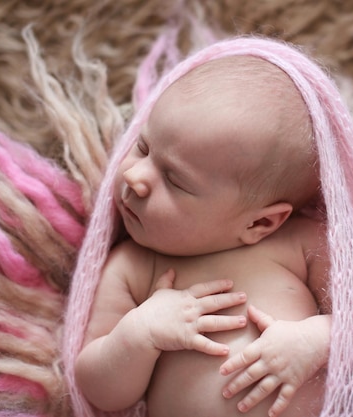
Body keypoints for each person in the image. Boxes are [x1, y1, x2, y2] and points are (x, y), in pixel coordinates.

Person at [74, 53, 333, 417]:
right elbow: (99, 389)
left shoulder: (299, 242)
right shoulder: (133, 265)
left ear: (260, 224)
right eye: (143, 148)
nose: (135, 176)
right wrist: (139, 334)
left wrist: (314, 341)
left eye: (175, 180)